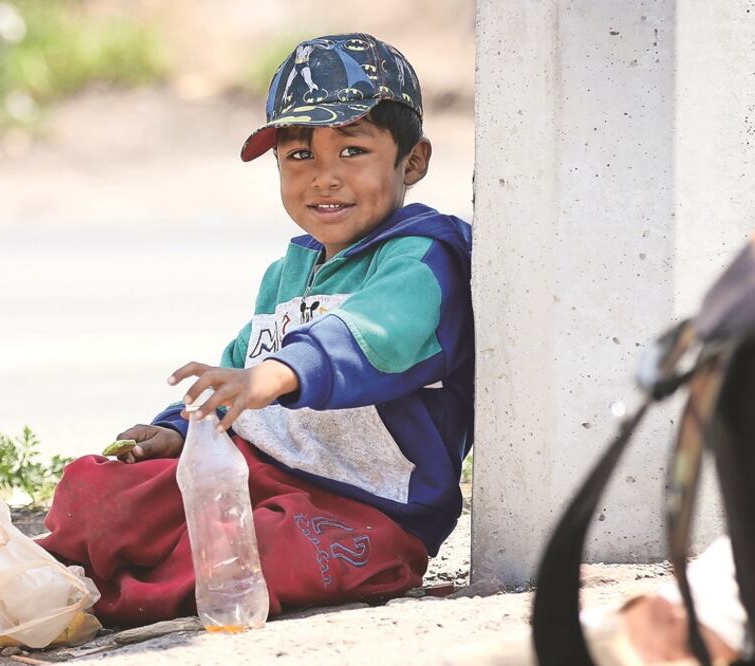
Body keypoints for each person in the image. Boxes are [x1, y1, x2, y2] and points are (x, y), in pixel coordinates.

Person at [39, 32, 474, 627]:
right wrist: (178, 430)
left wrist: (273, 376)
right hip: (258, 471)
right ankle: (71, 573)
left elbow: (371, 336)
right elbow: (238, 373)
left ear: (413, 161)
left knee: (256, 553)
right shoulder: (288, 271)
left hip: (366, 510)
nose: (323, 177)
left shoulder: (423, 258)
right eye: (300, 156)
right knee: (101, 491)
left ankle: (107, 597)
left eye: (352, 151)